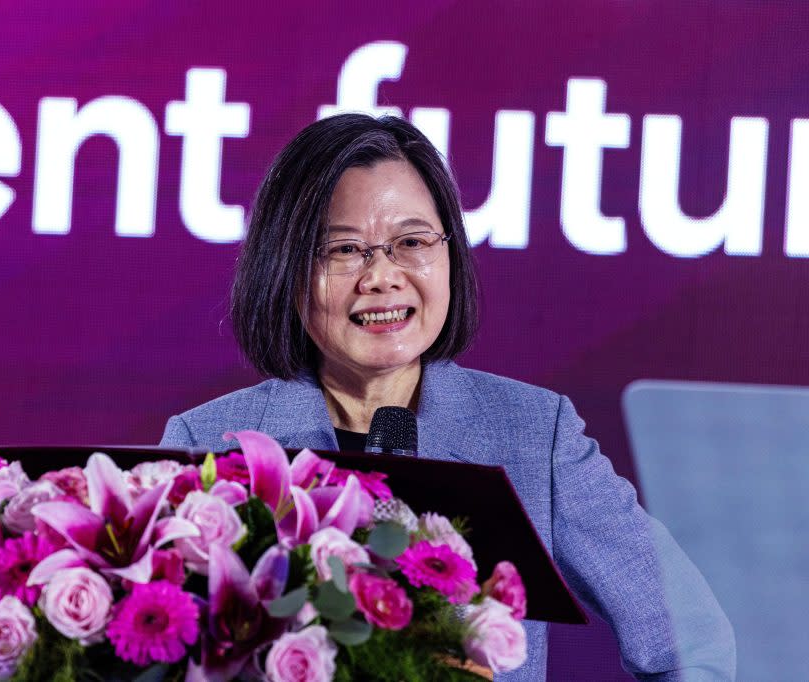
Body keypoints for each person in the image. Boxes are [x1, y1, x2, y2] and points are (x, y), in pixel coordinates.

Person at [160, 114, 735, 680]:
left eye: (411, 242)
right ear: (285, 269)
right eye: (344, 250)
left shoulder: (534, 436)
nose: (381, 277)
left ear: (449, 253)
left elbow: (692, 644)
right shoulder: (210, 443)